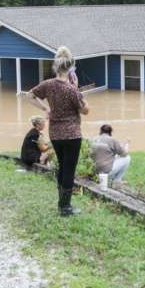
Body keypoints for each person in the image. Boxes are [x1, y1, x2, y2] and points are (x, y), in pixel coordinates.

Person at [25, 46, 90, 216]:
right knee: (69, 169)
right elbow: (85, 110)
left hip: (55, 133)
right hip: (72, 135)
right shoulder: (71, 89)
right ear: (70, 67)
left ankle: (62, 204)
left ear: (56, 65)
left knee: (62, 167)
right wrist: (77, 88)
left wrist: (45, 108)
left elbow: (29, 95)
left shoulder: (48, 84)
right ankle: (65, 207)